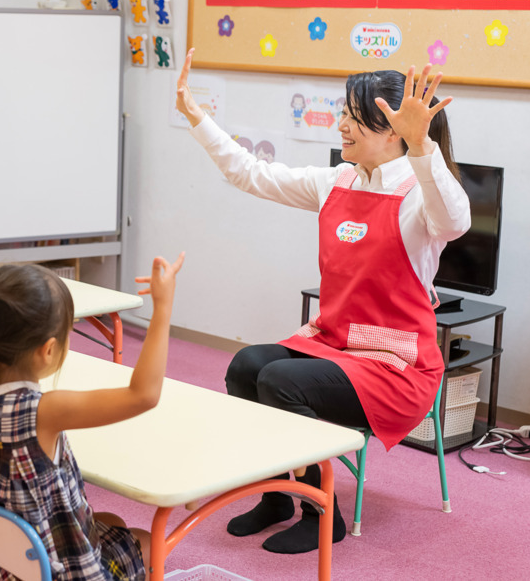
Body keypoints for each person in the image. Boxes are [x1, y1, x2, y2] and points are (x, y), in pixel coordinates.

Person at [176, 49, 471, 554]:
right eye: (344, 116)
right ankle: (275, 496)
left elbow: (455, 221)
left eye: (354, 120)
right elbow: (251, 173)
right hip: (334, 344)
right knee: (247, 365)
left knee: (278, 381)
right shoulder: (337, 180)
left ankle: (321, 510)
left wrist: (423, 147)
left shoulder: (420, 194)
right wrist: (196, 116)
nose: (341, 127)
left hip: (397, 364)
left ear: (393, 131)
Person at [0, 203, 184, 580]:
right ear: (48, 350)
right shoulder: (44, 411)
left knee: (108, 520)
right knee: (146, 543)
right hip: (42, 568)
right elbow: (143, 394)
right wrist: (162, 311)